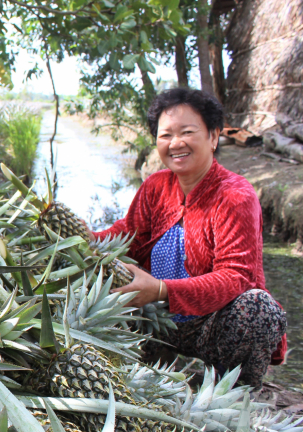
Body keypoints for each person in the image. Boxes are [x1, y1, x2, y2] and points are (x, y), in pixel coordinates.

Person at [90, 88, 287, 390]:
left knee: (259, 309)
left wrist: (161, 289)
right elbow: (129, 233)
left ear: (213, 136)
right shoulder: (156, 185)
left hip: (209, 325)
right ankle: (155, 360)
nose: (175, 143)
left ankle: (233, 388)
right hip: (156, 319)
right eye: (165, 135)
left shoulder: (235, 195)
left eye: (187, 132)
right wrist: (85, 237)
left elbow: (236, 276)